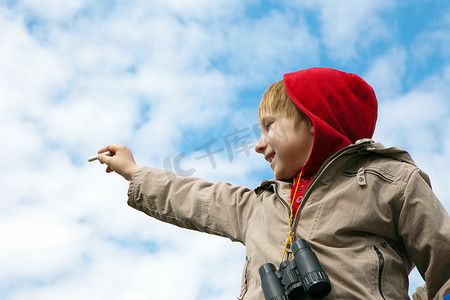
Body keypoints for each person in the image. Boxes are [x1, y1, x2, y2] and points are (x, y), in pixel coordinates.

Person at [96, 68, 450, 299]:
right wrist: (134, 171)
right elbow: (195, 197)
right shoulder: (257, 207)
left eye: (270, 126)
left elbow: (445, 265)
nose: (258, 143)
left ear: (314, 122)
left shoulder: (391, 182)